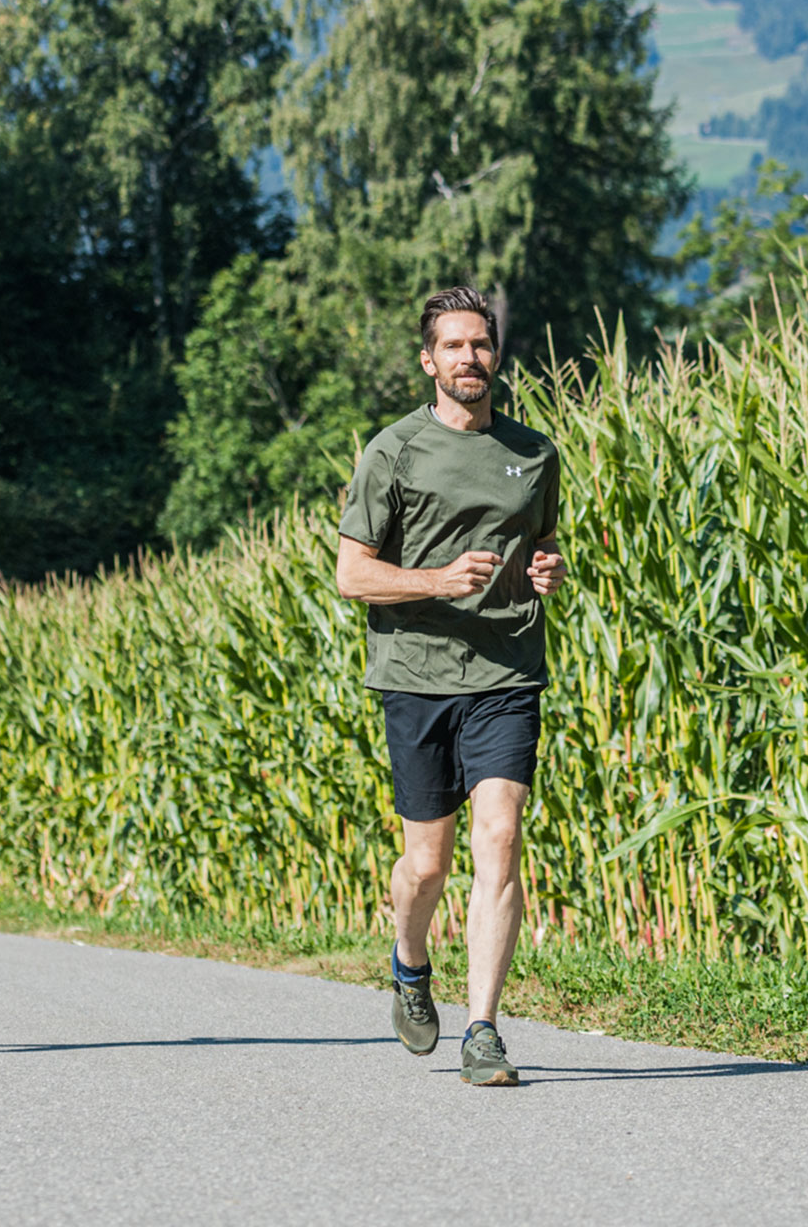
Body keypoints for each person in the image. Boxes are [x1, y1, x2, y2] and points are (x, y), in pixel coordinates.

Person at [334, 286, 566, 1087]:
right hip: (416, 676)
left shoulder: (534, 452)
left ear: (494, 356)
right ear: (428, 360)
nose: (471, 358)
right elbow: (351, 575)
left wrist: (549, 569)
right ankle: (408, 961)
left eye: (482, 345)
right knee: (425, 866)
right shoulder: (392, 452)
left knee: (499, 837)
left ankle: (484, 1030)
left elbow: (542, 544)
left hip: (507, 670)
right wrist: (435, 579)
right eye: (455, 346)